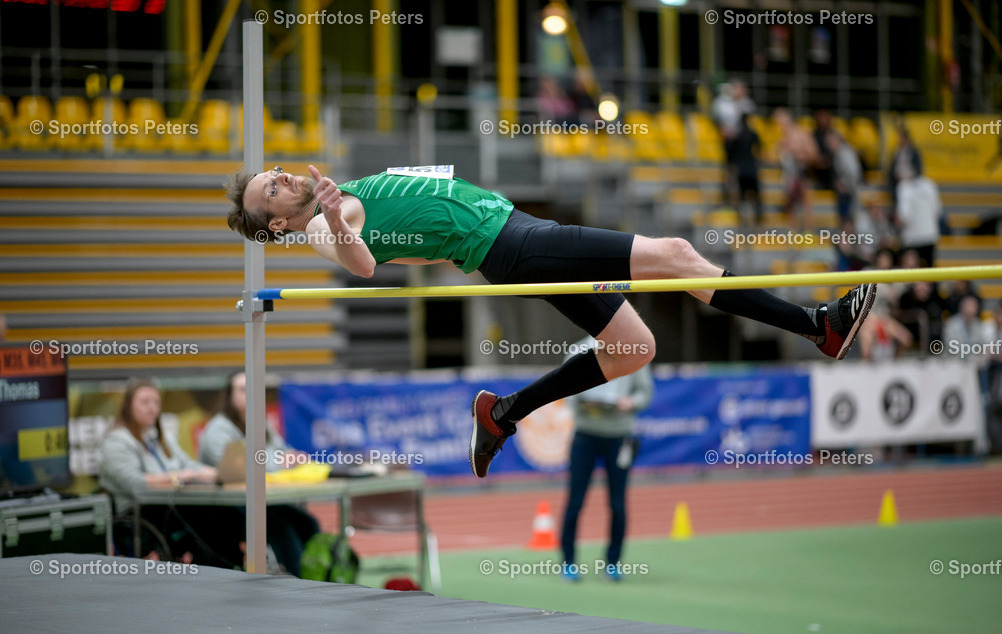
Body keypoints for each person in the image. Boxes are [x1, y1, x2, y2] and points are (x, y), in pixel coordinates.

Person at [224, 165, 875, 479]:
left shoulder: (335, 194)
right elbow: (362, 264)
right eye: (269, 191)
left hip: (515, 231)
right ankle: (817, 324)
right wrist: (334, 221)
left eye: (273, 174)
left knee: (634, 347)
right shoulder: (320, 225)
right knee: (677, 255)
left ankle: (503, 412)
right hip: (514, 245)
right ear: (276, 224)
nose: (279, 178)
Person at [98, 378, 245, 568]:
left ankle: (233, 563)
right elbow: (134, 483)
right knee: (207, 515)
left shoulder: (162, 438)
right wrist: (176, 477)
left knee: (225, 510)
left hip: (174, 505)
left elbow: (188, 464)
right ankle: (223, 566)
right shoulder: (116, 442)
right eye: (145, 402)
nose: (152, 408)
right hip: (142, 512)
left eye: (156, 402)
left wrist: (216, 473)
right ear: (128, 406)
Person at [198, 372, 321, 577]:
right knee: (281, 529)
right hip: (225, 506)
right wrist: (280, 462)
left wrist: (293, 457)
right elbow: (242, 467)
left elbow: (281, 451)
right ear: (229, 396)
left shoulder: (261, 422)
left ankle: (317, 577)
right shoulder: (217, 431)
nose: (249, 394)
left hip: (260, 500)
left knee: (307, 523)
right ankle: (301, 583)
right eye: (242, 390)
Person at [560, 336, 653, 583]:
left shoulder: (635, 350)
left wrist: (630, 402)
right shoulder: (578, 350)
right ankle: (568, 563)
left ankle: (613, 563)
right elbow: (564, 388)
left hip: (619, 437)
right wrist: (583, 404)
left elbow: (645, 393)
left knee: (617, 504)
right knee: (575, 502)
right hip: (585, 435)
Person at [773, 108, 819, 229]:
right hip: (789, 174)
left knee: (806, 202)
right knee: (790, 203)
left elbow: (813, 154)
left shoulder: (801, 134)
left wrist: (798, 155)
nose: (779, 125)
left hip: (802, 171)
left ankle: (809, 231)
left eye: (780, 121)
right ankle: (792, 231)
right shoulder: (783, 138)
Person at [895, 172, 942, 267]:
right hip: (929, 235)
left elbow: (904, 216)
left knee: (911, 270)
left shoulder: (904, 187)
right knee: (928, 271)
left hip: (911, 238)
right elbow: (938, 210)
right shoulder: (930, 185)